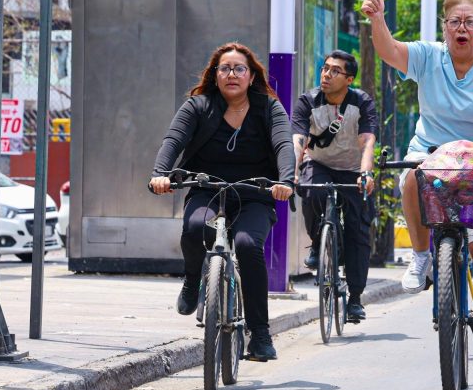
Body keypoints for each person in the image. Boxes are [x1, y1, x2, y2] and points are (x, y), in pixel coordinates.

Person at [360, 0, 473, 372]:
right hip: (431, 153)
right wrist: (377, 19)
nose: (462, 28)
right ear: (444, 27)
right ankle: (421, 255)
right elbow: (390, 51)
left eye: (471, 22)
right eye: (455, 22)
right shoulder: (428, 56)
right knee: (413, 176)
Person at [149, 42, 295, 362]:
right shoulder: (198, 106)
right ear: (215, 75)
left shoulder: (269, 108)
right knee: (195, 227)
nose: (232, 74)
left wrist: (286, 180)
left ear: (251, 76)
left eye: (239, 69)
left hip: (255, 193)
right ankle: (192, 279)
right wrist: (161, 174)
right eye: (225, 68)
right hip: (207, 188)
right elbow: (173, 140)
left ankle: (260, 334)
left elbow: (284, 144)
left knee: (247, 245)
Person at [291, 50, 377, 324]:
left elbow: (367, 142)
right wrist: (291, 173)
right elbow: (298, 140)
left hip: (353, 169)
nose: (326, 74)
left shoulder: (361, 102)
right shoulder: (308, 101)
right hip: (319, 163)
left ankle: (355, 299)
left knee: (358, 232)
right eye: (325, 68)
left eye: (335, 71)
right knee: (311, 188)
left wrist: (365, 174)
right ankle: (318, 242)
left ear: (349, 79)